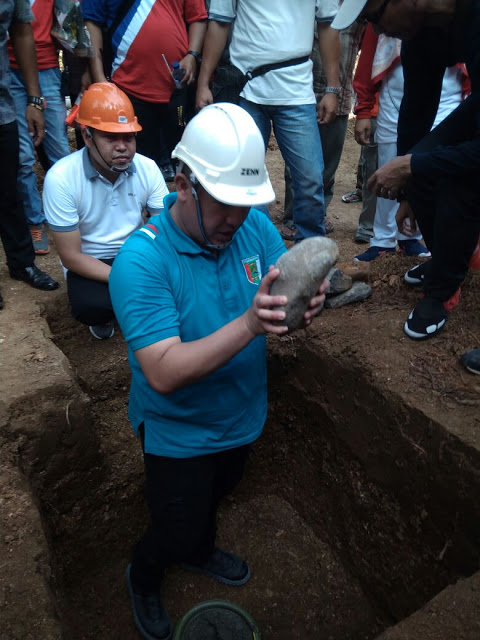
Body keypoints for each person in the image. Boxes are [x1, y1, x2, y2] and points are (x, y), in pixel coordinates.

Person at [109, 103, 328, 640]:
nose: (238, 218)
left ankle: (200, 550)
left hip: (242, 417)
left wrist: (298, 310)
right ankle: (145, 571)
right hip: (179, 433)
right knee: (174, 524)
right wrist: (252, 325)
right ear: (184, 185)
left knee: (220, 490)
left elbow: (274, 307)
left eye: (246, 203)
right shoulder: (142, 261)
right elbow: (161, 370)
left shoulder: (250, 227)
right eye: (226, 203)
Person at [332, 0, 480, 339]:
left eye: (375, 18)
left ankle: (443, 291)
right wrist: (408, 187)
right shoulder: (423, 35)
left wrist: (415, 164)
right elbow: (414, 119)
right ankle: (444, 258)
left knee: (459, 178)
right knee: (418, 160)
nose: (378, 31)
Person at [196, 0, 341, 242]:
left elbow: (328, 25)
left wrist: (333, 88)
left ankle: (311, 256)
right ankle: (256, 250)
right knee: (246, 177)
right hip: (246, 88)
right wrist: (203, 83)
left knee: (310, 179)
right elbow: (219, 23)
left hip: (296, 90)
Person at [42, 82, 168, 339]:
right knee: (93, 307)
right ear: (87, 137)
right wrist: (127, 278)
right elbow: (71, 256)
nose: (122, 146)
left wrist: (144, 268)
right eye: (111, 137)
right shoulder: (61, 178)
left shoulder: (147, 168)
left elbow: (163, 229)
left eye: (129, 137)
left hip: (136, 251)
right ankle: (109, 316)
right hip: (91, 260)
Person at [352, 25, 468, 263]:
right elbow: (369, 52)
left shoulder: (462, 12)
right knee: (388, 166)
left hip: (449, 100)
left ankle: (412, 237)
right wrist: (363, 108)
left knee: (433, 172)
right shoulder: (390, 11)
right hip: (394, 97)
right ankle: (383, 239)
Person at [83, 0, 207, 183]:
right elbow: (92, 22)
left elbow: (198, 17)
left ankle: (186, 206)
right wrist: (99, 77)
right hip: (127, 88)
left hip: (178, 88)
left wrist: (192, 55)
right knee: (137, 164)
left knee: (186, 158)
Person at [280, 21, 364, 241]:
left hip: (341, 97)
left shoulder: (357, 12)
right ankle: (292, 217)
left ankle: (317, 213)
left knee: (328, 165)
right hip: (305, 95)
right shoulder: (314, 6)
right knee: (299, 163)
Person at [0, 0, 59, 310]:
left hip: (3, 103)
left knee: (9, 186)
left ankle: (22, 263)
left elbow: (22, 30)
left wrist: (34, 99)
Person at [8, 0, 71, 256]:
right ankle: (35, 221)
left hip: (46, 68)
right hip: (8, 71)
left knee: (60, 152)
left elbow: (70, 27)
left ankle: (71, 213)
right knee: (22, 157)